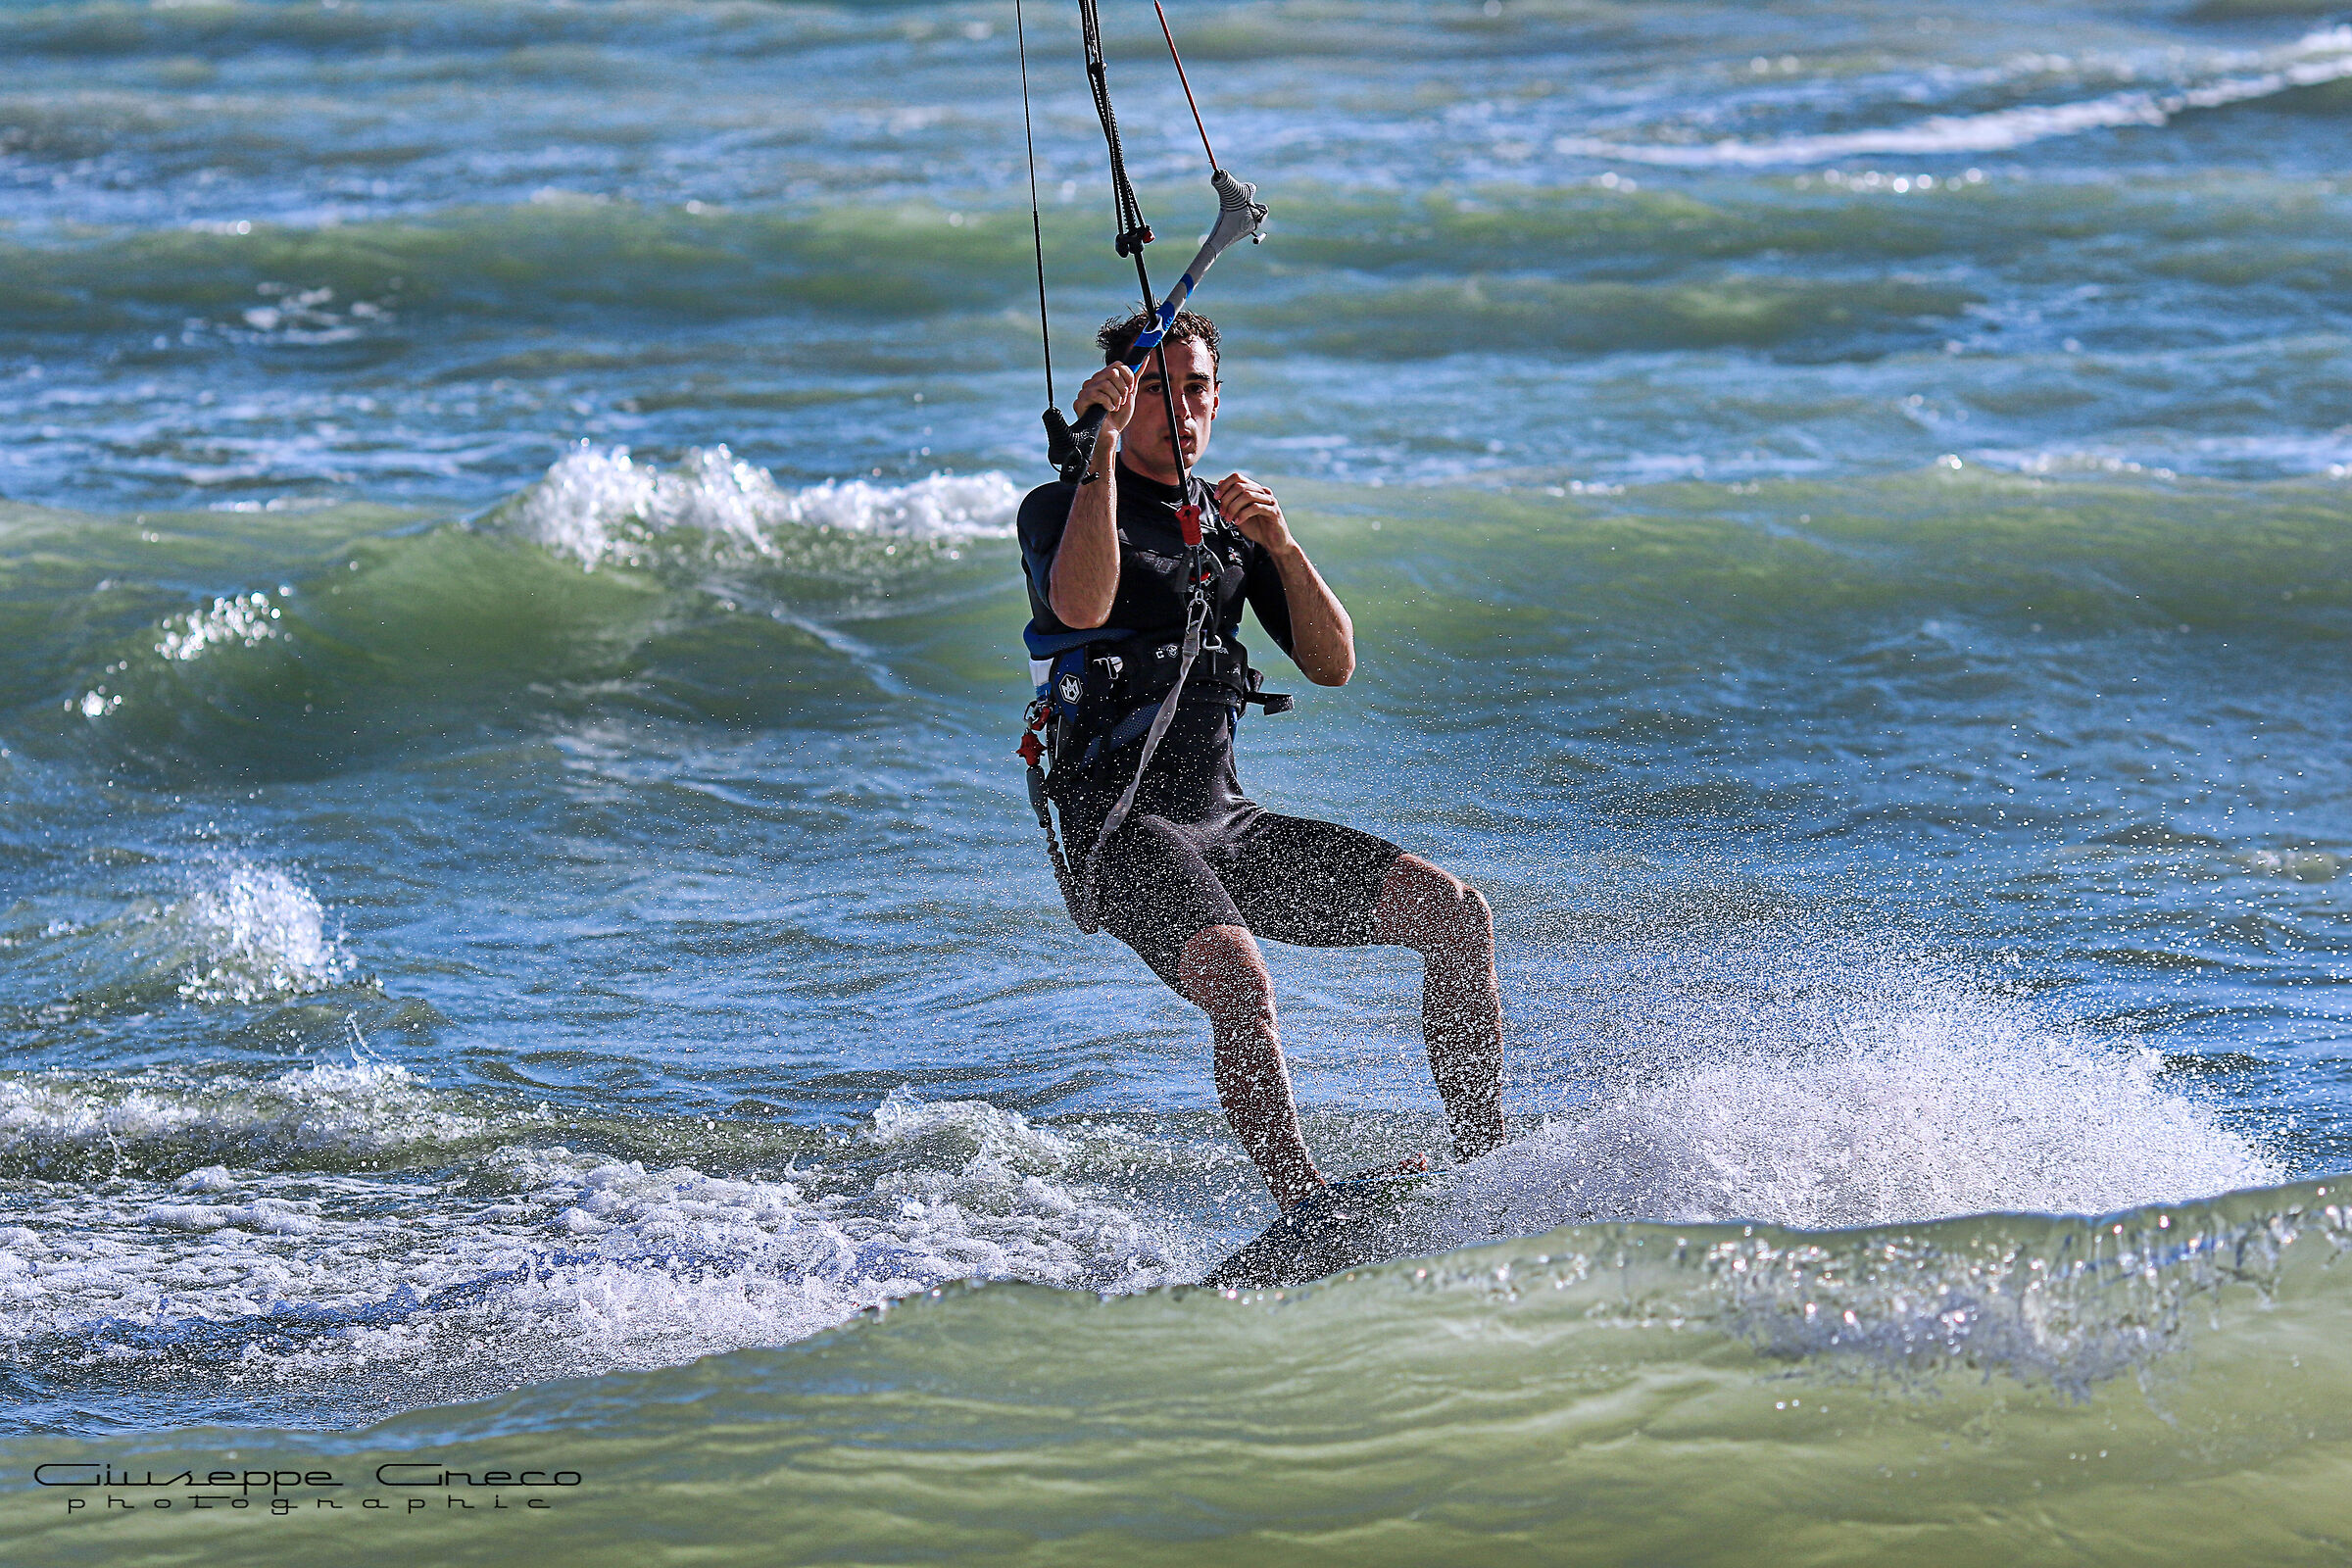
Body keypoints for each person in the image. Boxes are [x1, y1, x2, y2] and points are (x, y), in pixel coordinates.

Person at [1017, 309, 1504, 1210]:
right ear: (1122, 399)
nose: (1180, 406)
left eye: (1196, 386)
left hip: (1224, 822)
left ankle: (1488, 1162)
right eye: (1155, 388)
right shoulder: (1063, 506)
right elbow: (1080, 610)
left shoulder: (1230, 527)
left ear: (1218, 395)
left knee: (1456, 915)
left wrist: (1281, 544)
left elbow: (1334, 663)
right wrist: (1097, 448)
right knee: (1240, 982)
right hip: (1121, 834)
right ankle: (1303, 1202)